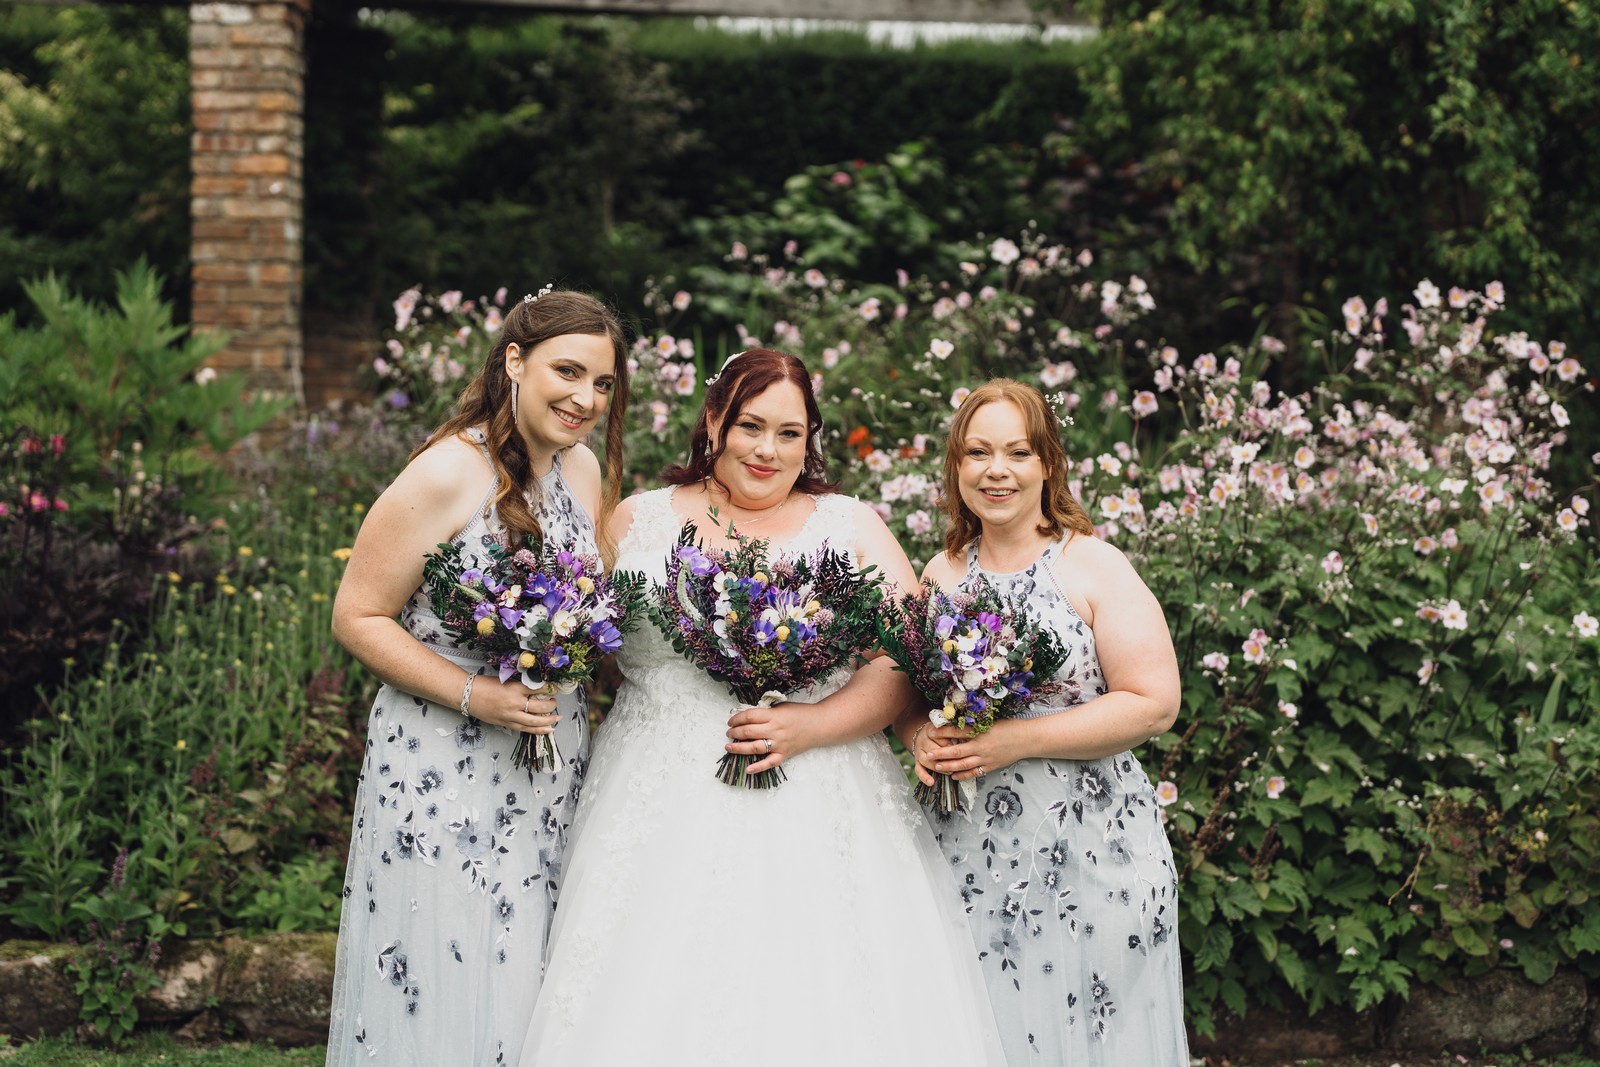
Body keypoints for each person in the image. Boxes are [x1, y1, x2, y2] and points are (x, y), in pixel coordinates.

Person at [519, 348, 1006, 1066]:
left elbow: (904, 659)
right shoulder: (636, 519)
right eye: (750, 425)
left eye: (789, 433)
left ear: (811, 439)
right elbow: (588, 634)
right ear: (714, 419)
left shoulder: (848, 525)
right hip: (651, 800)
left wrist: (814, 722)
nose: (767, 450)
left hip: (815, 791)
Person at [325, 288, 630, 1066]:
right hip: (442, 760)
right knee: (446, 962)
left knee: (530, 966)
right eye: (568, 371)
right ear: (515, 361)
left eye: (602, 383)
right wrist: (478, 694)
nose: (586, 398)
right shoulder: (446, 471)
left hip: (549, 757)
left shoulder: (583, 469)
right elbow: (357, 615)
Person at [898, 378, 1189, 1065]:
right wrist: (919, 738)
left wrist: (1011, 740)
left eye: (1017, 452)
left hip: (1094, 851)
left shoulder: (1092, 564)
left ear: (1049, 463)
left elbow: (1154, 701)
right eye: (977, 452)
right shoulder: (941, 573)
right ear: (956, 467)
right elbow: (908, 694)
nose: (995, 470)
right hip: (970, 853)